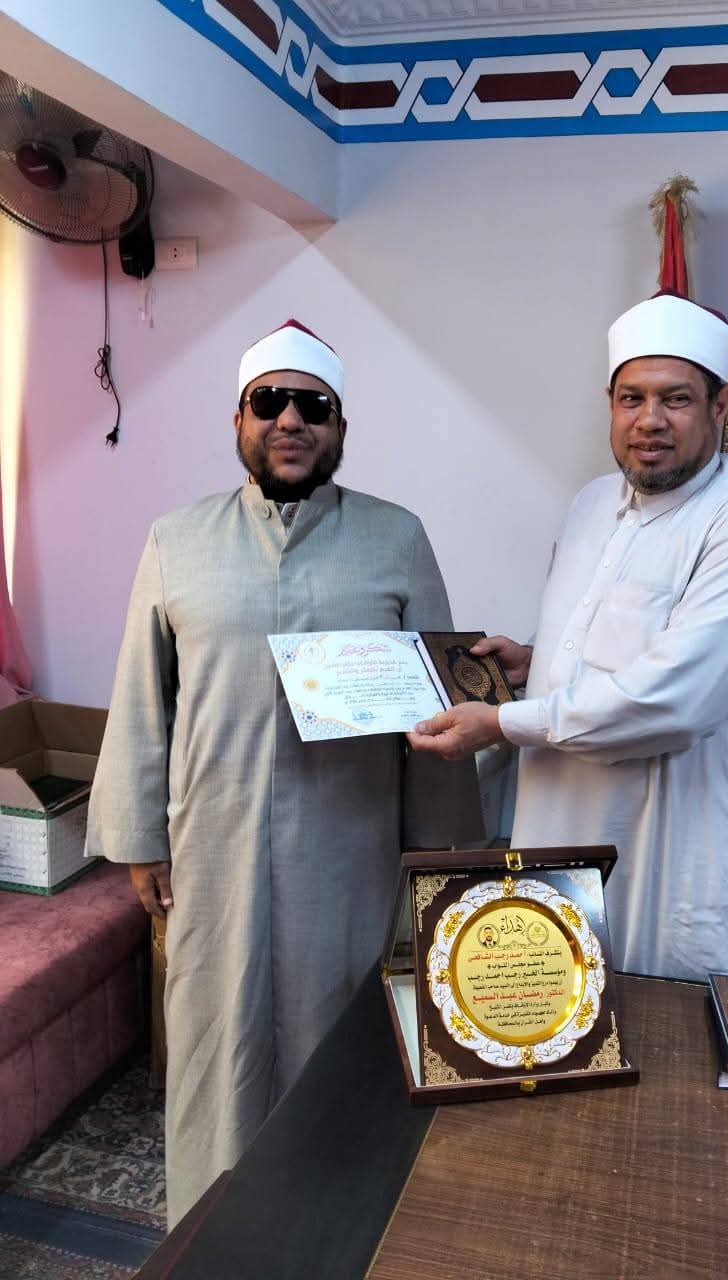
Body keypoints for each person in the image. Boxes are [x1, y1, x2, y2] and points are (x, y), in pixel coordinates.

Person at [86, 319, 482, 1227]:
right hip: (212, 845)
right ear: (238, 421)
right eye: (269, 402)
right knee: (213, 1036)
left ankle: (328, 1227)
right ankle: (210, 1225)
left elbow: (435, 703)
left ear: (340, 427)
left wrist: (437, 849)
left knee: (334, 1032)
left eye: (313, 405)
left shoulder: (395, 537)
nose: (290, 420)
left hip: (347, 847)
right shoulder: (177, 539)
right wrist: (142, 841)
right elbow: (143, 697)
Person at [408, 291, 728, 984]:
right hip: (557, 824)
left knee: (662, 1033)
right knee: (554, 1010)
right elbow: (610, 641)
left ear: (719, 406)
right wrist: (536, 660)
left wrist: (501, 722)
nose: (649, 420)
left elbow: (675, 700)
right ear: (610, 404)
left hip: (678, 854)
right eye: (632, 398)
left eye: (675, 399)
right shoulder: (591, 504)